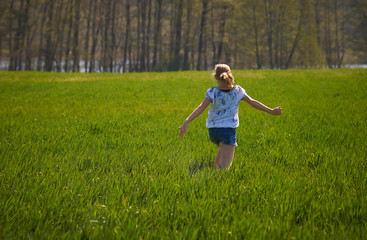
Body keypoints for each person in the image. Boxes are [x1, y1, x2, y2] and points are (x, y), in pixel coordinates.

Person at [179, 64, 282, 170]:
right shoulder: (238, 91)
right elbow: (252, 103)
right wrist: (271, 111)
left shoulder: (212, 92)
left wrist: (187, 121)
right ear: (230, 74)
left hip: (213, 132)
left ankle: (213, 174)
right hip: (227, 131)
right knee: (226, 167)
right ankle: (217, 182)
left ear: (216, 77)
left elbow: (201, 107)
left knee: (222, 152)